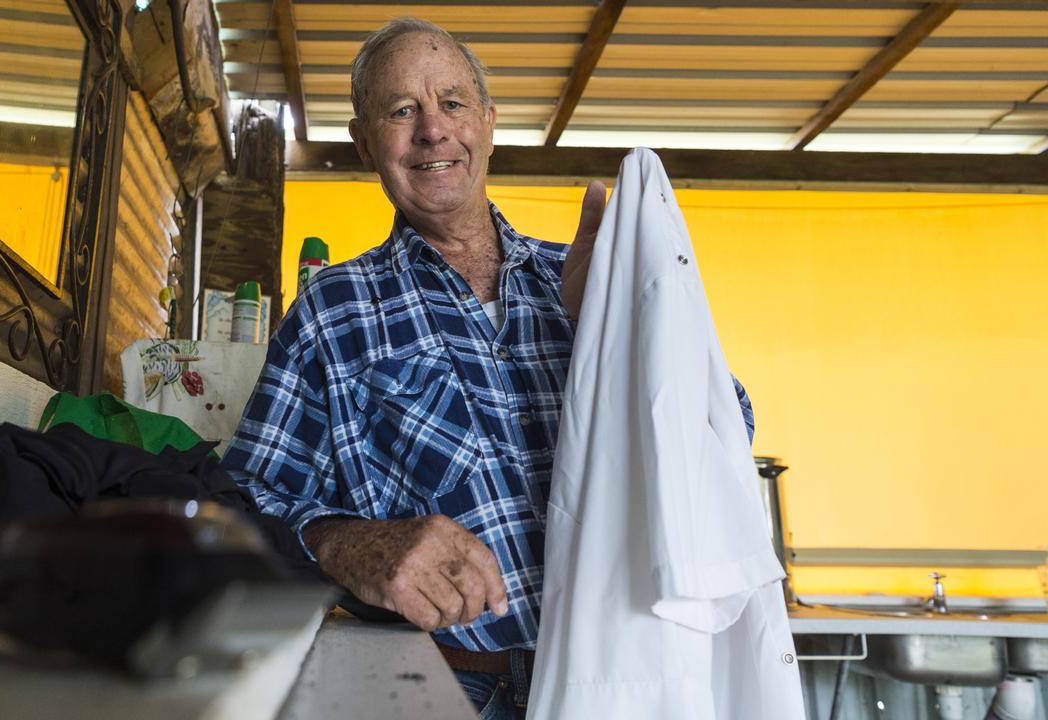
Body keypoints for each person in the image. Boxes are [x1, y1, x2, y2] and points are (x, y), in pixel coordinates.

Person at [221, 17, 754, 719]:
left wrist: (614, 328)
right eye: (402, 110)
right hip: (456, 689)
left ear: (489, 123)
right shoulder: (333, 309)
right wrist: (348, 540)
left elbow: (728, 431)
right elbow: (242, 504)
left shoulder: (584, 274)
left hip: (633, 678)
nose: (433, 130)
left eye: (452, 102)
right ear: (364, 142)